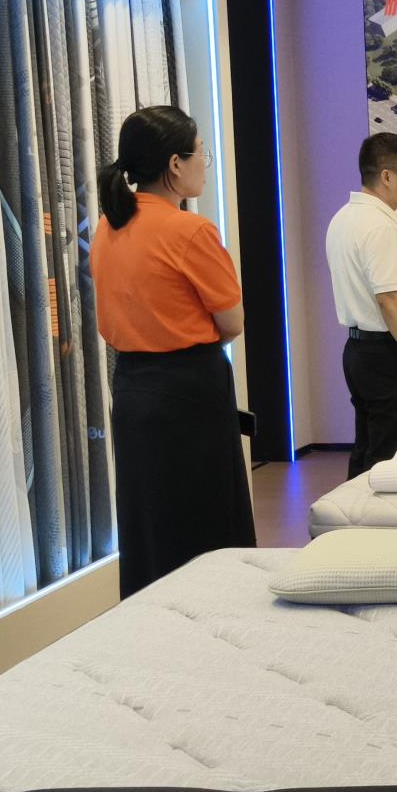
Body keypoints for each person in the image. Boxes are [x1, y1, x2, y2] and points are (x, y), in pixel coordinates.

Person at [89, 105, 256, 598]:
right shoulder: (190, 231)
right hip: (190, 388)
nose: (205, 162)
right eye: (200, 152)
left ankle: (152, 621)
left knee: (149, 520)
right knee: (206, 519)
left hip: (132, 387)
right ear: (175, 164)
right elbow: (232, 322)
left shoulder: (107, 227)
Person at [326, 132, 397, 478]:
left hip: (360, 352)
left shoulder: (344, 218)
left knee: (366, 453)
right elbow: (389, 298)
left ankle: (353, 513)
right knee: (390, 461)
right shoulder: (378, 227)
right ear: (387, 176)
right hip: (388, 356)